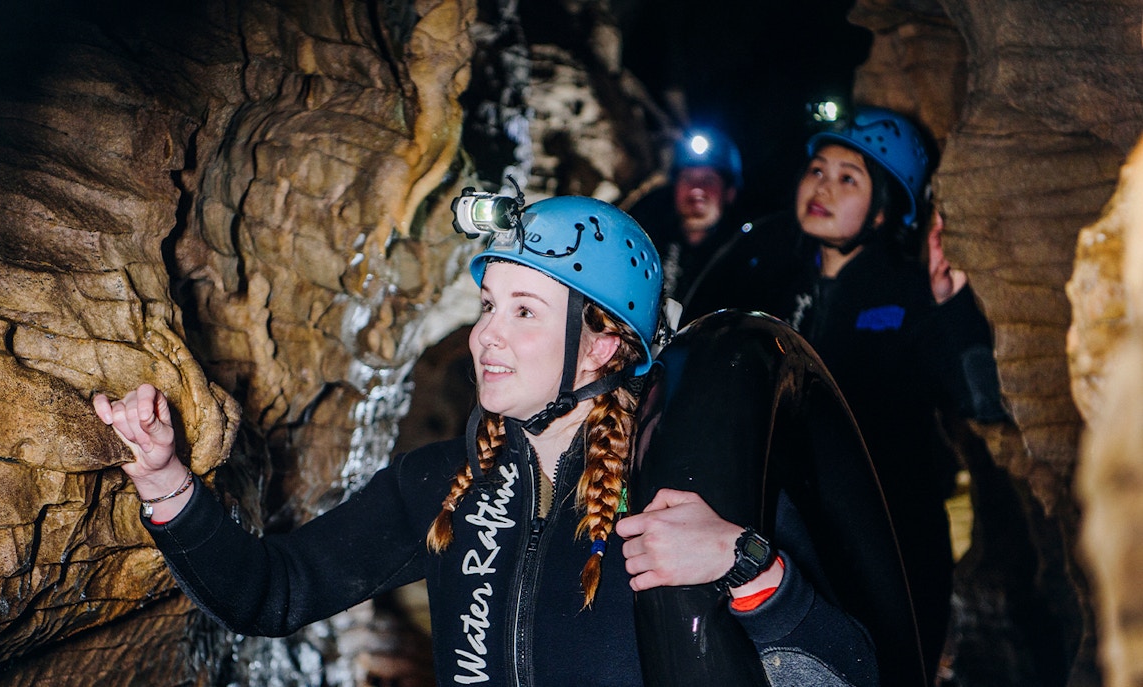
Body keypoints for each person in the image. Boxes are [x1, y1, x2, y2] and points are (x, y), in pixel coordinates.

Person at [95, 191, 883, 685]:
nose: (486, 337)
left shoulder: (696, 486)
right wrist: (168, 484)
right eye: (487, 305)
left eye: (525, 312)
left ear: (603, 344)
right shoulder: (439, 484)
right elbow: (273, 591)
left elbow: (847, 671)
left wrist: (750, 564)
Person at [759, 106, 1010, 682]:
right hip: (797, 535)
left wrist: (950, 308)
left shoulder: (909, 289)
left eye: (850, 178)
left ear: (885, 209)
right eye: (818, 169)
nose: (823, 186)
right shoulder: (776, 288)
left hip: (896, 538)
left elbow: (983, 401)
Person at [628, 128, 797, 326]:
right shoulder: (645, 238)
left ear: (730, 192)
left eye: (709, 179)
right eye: (687, 178)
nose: (696, 188)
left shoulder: (748, 257)